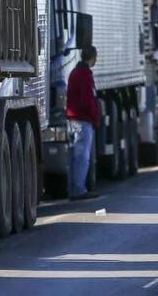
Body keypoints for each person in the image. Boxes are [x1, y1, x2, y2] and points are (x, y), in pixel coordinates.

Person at [66, 45, 100, 201]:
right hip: (83, 121)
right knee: (83, 158)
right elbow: (88, 101)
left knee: (74, 158)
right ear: (92, 57)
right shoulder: (85, 75)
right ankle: (79, 189)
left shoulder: (74, 73)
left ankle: (73, 189)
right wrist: (95, 118)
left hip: (72, 120)